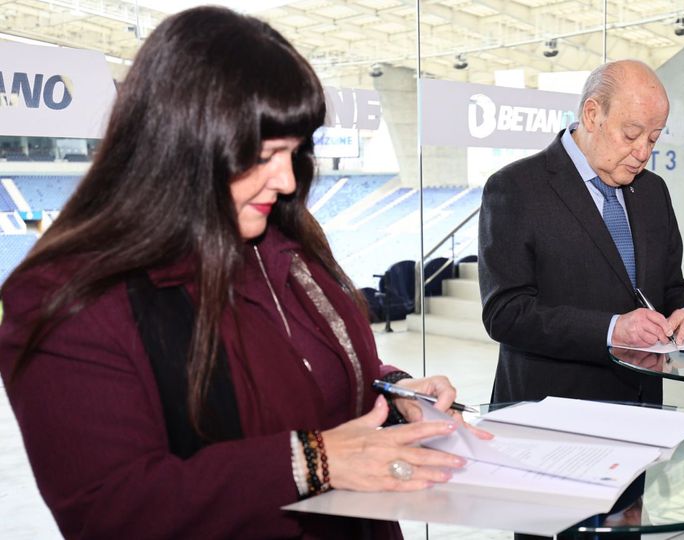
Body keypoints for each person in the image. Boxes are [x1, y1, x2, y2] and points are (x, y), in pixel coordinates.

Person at [0, 7, 488, 539]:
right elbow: (108, 509)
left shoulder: (279, 234)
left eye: (295, 152)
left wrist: (394, 395)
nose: (284, 180)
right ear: (181, 144)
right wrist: (312, 461)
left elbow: (308, 369)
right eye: (263, 153)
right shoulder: (66, 297)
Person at [479, 59, 684, 406]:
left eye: (653, 138)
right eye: (632, 135)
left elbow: (670, 286)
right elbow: (505, 312)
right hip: (553, 412)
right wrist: (611, 329)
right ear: (592, 115)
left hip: (641, 406)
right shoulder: (515, 187)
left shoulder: (653, 191)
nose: (643, 153)